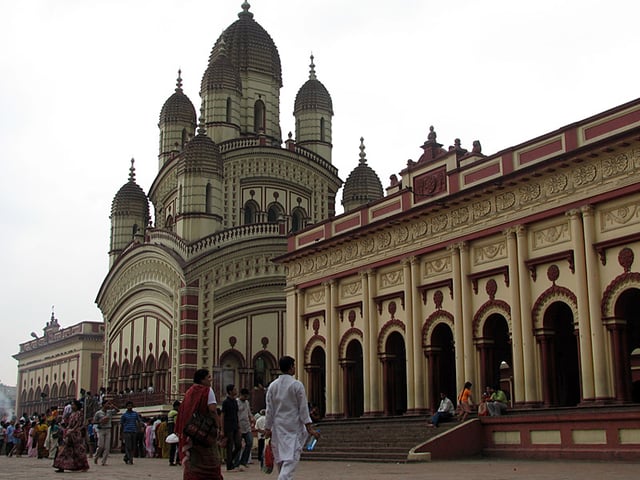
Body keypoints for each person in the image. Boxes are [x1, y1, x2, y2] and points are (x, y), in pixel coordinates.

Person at [265, 356, 319, 480]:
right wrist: (309, 428)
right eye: (294, 366)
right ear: (290, 368)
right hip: (293, 428)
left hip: (278, 429)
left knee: (281, 462)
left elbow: (269, 410)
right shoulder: (296, 385)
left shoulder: (273, 386)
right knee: (290, 462)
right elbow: (303, 409)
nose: (294, 368)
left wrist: (267, 428)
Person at [174, 368, 222, 480]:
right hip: (205, 433)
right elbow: (212, 410)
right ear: (202, 380)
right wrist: (219, 426)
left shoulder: (189, 392)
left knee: (193, 461)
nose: (211, 380)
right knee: (211, 461)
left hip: (191, 433)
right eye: (208, 377)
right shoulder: (207, 390)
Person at [53, 399, 90, 472]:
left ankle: (82, 466)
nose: (72, 406)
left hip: (75, 434)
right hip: (69, 433)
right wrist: (67, 429)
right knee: (65, 450)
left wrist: (72, 430)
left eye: (73, 405)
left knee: (78, 451)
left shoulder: (79, 413)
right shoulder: (72, 414)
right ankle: (61, 466)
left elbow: (78, 424)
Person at [220, 384, 242, 472]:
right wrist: (222, 429)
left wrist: (239, 426)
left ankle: (229, 460)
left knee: (238, 445)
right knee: (229, 446)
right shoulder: (226, 402)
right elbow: (222, 415)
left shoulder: (235, 401)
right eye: (234, 389)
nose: (236, 391)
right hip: (228, 426)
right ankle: (229, 465)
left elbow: (236, 414)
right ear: (230, 391)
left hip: (235, 426)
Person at [93, 399, 118, 466]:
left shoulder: (109, 412)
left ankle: (103, 461)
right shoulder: (98, 413)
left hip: (108, 429)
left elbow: (117, 410)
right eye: (107, 404)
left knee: (107, 447)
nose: (108, 405)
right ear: (103, 405)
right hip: (101, 429)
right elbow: (94, 421)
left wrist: (113, 406)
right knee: (101, 446)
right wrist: (101, 421)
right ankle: (96, 457)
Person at [237, 387, 254, 468]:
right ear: (240, 395)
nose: (245, 398)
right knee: (238, 445)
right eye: (244, 396)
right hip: (239, 426)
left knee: (250, 442)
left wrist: (251, 418)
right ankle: (236, 462)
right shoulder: (236, 402)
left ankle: (244, 461)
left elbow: (249, 412)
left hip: (247, 426)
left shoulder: (247, 402)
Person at [167, 400, 180, 466]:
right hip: (175, 432)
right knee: (178, 447)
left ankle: (171, 460)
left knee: (172, 448)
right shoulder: (175, 413)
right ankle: (178, 460)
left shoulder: (170, 413)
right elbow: (176, 423)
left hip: (170, 431)